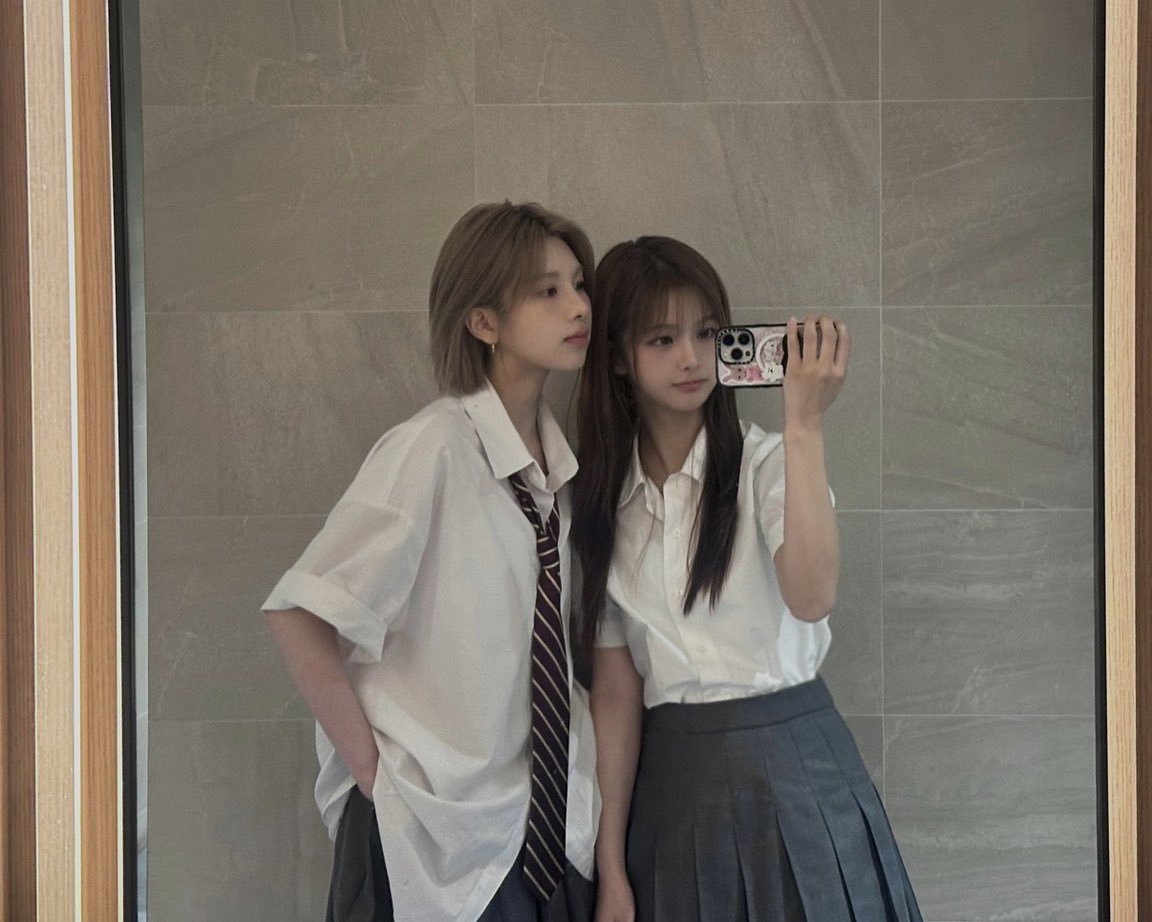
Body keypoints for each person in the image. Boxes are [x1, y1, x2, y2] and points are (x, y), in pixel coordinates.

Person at [263, 202, 600, 922]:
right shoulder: (433, 448)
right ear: (483, 322)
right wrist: (375, 775)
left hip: (531, 831)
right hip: (427, 841)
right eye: (547, 291)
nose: (578, 307)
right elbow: (300, 613)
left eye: (579, 285)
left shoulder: (554, 474)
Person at [573, 236, 922, 922]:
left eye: (707, 333)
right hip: (673, 790)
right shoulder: (603, 509)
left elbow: (813, 596)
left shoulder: (768, 466)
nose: (691, 357)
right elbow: (614, 696)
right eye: (662, 338)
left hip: (798, 773)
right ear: (616, 357)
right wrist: (610, 865)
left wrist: (804, 424)